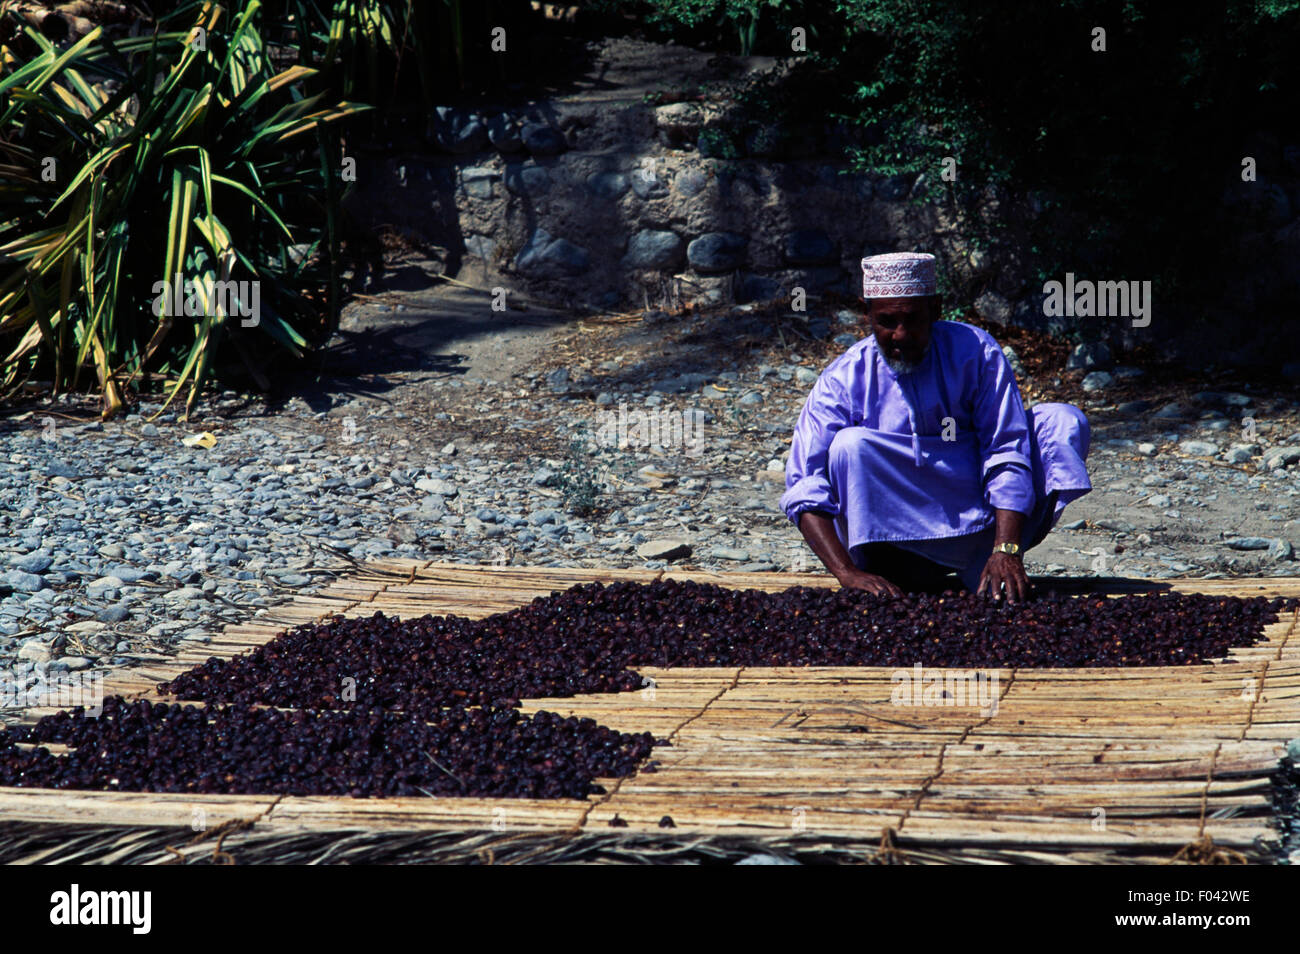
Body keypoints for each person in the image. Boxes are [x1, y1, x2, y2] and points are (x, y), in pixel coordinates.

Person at [779, 252, 1092, 603]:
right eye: (886, 321)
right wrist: (846, 573)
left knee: (1061, 421)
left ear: (936, 309)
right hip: (892, 543)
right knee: (849, 445)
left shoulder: (976, 352)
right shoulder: (844, 378)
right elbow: (805, 483)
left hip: (981, 524)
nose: (900, 335)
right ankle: (894, 568)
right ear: (866, 313)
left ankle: (992, 561)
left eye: (913, 320)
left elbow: (1006, 448)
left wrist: (1006, 547)